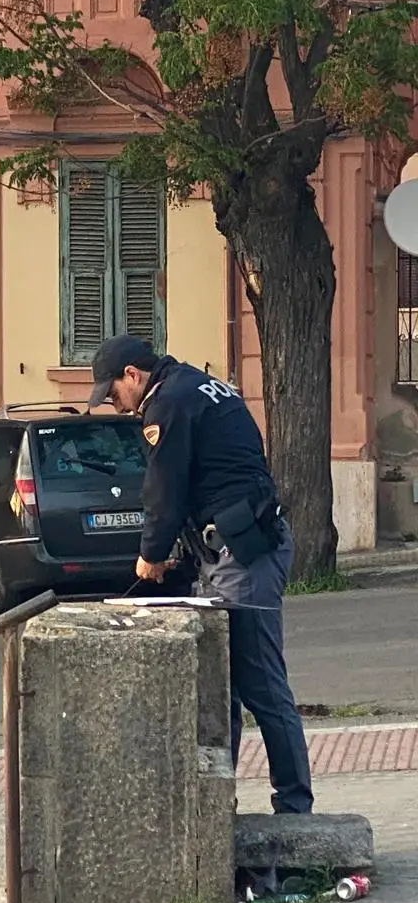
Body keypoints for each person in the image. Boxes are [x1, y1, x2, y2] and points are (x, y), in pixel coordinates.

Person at [86, 334, 313, 814]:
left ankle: (294, 809)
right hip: (233, 548)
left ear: (134, 375)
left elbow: (165, 491)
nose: (115, 404)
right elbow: (211, 478)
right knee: (218, 682)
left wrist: (150, 554)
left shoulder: (166, 405)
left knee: (260, 683)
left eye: (113, 392)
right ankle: (215, 808)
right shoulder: (200, 385)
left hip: (244, 555)